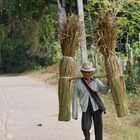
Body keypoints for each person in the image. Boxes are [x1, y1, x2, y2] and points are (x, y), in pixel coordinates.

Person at [72, 62, 109, 140]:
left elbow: (104, 91)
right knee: (85, 127)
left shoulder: (96, 81)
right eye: (85, 72)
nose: (88, 74)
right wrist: (74, 114)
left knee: (98, 128)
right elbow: (74, 98)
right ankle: (87, 138)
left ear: (92, 72)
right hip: (86, 108)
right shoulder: (78, 84)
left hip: (96, 107)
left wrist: (109, 82)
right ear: (82, 72)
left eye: (89, 72)